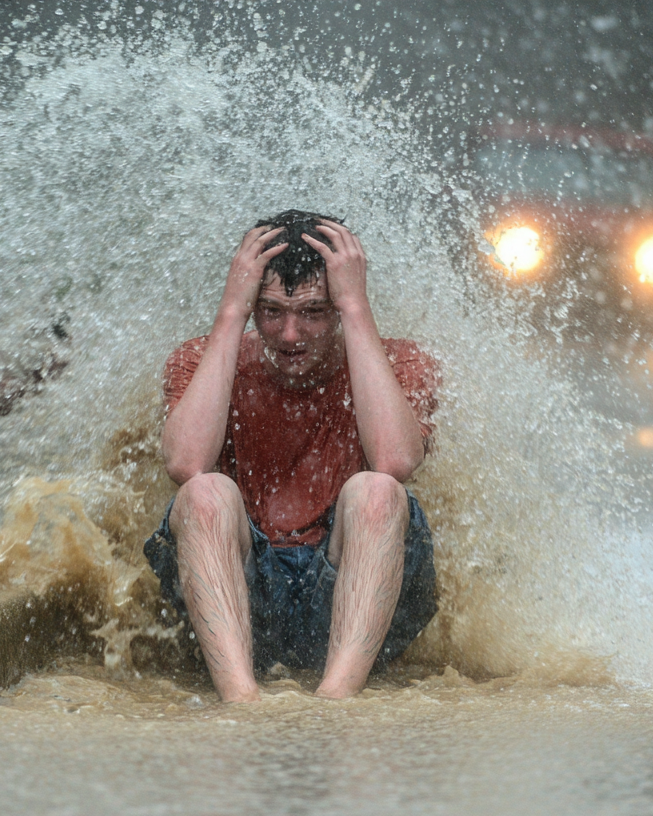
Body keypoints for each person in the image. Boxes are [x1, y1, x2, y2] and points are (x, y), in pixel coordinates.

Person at [145, 210, 440, 702]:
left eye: (314, 312)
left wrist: (355, 307)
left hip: (357, 592)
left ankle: (336, 699)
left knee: (378, 491)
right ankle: (240, 702)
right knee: (203, 494)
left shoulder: (402, 363)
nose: (288, 335)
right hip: (241, 601)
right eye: (271, 311)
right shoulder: (201, 358)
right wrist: (231, 314)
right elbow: (185, 463)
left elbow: (395, 460)